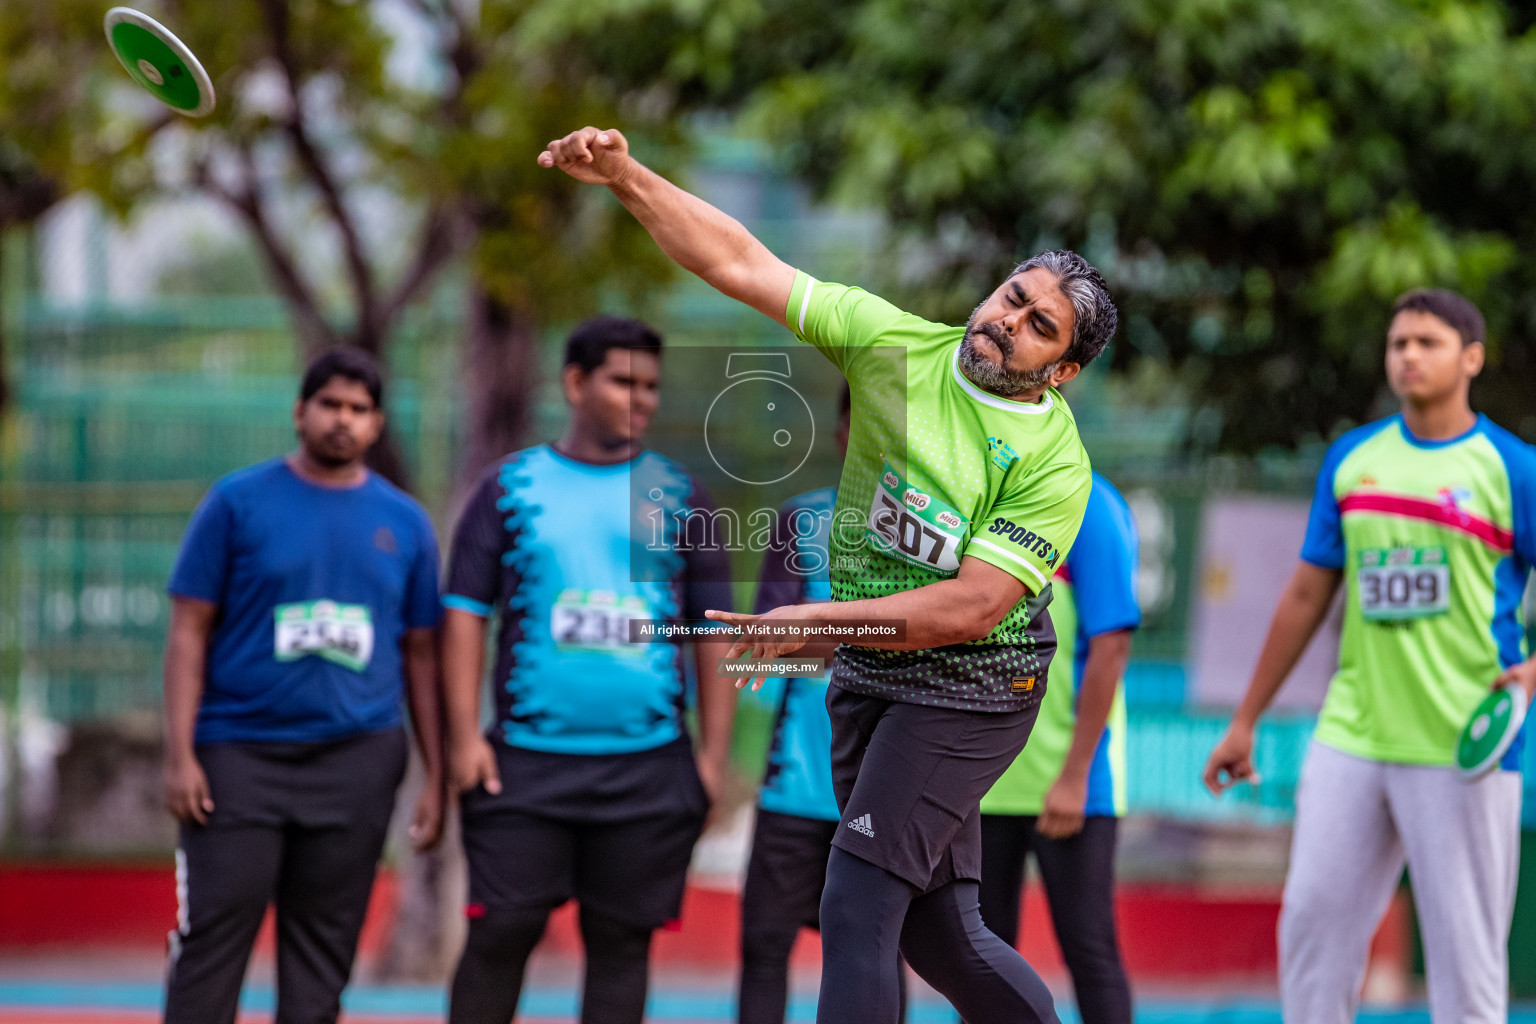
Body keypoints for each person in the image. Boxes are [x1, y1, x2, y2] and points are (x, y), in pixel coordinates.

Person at [540, 126, 1117, 1024]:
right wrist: (624, 176)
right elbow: (737, 260)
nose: (1009, 320)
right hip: (874, 672)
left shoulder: (1054, 464)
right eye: (1013, 296)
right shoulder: (892, 344)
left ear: (1064, 369)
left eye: (1040, 325)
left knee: (853, 902)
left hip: (975, 686)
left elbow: (973, 606)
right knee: (939, 930)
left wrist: (823, 621)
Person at [1204, 288, 1536, 1024]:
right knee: (1313, 932)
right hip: (1352, 734)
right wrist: (1245, 720)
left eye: (1428, 342)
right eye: (1398, 344)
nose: (1408, 356)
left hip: (1464, 742)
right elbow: (1303, 598)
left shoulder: (1514, 469)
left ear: (1472, 358)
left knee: (1468, 967)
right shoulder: (1354, 460)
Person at [442, 315, 737, 1024]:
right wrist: (462, 739)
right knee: (501, 934)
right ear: (575, 383)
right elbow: (462, 614)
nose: (641, 400)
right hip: (523, 765)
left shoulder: (683, 496)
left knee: (621, 944)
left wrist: (712, 759)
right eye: (622, 382)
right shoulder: (508, 489)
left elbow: (714, 634)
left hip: (649, 767)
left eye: (651, 387)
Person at [160, 348, 445, 1024]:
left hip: (356, 759)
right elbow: (188, 630)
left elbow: (423, 654)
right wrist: (179, 754)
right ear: (300, 411)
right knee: (213, 937)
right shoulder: (237, 503)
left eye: (359, 409)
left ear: (377, 425)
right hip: (238, 757)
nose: (342, 421)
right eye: (330, 405)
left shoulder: (405, 523)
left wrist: (436, 775)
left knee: (322, 952)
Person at [737, 389, 909, 1024]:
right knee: (762, 948)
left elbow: (933, 649)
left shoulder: (937, 541)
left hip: (882, 795)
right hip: (795, 788)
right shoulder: (801, 519)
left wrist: (828, 638)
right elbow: (769, 648)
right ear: (841, 433)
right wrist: (878, 637)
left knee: (875, 956)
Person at [977, 471, 1139, 1024]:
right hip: (980, 780)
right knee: (974, 959)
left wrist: (1075, 775)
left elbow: (1111, 645)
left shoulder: (1091, 504)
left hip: (1068, 784)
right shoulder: (976, 496)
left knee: (1088, 950)